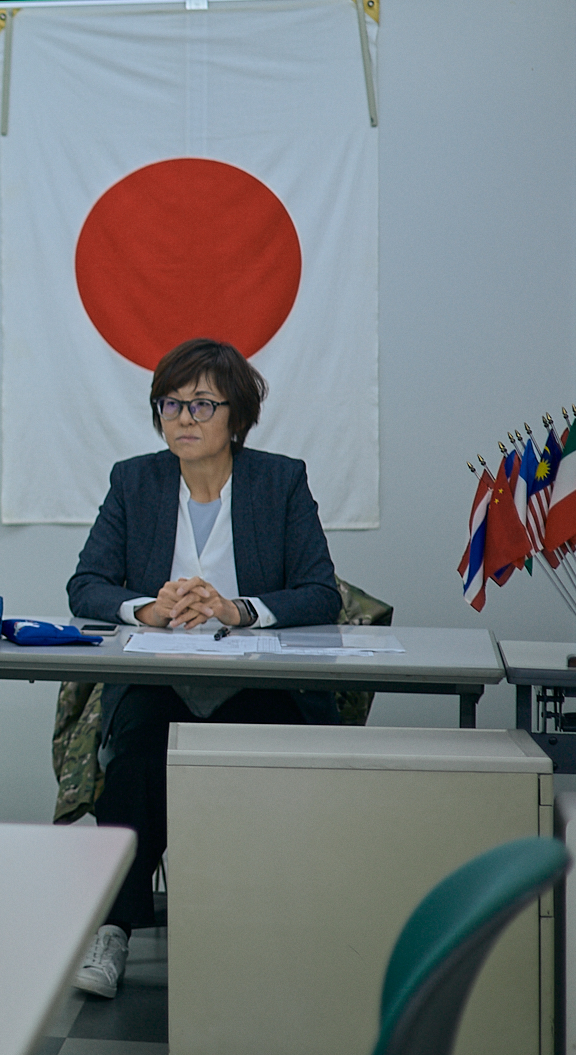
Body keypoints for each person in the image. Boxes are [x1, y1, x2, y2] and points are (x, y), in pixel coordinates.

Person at [64, 337, 339, 1000]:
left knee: (264, 764)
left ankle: (269, 933)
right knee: (132, 762)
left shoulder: (280, 480)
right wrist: (148, 608)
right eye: (171, 404)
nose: (183, 417)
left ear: (235, 417)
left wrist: (238, 608)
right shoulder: (136, 480)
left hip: (260, 684)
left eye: (201, 404)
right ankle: (116, 929)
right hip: (162, 681)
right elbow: (86, 585)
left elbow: (321, 591)